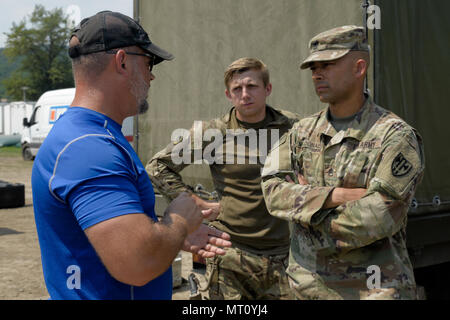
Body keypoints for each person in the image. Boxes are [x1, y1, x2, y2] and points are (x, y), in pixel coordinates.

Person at [31, 11, 231, 300]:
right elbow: (137, 264)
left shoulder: (91, 136)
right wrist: (179, 220)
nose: (151, 76)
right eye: (149, 63)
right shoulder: (89, 148)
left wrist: (168, 236)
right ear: (122, 61)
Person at [261, 25, 425, 300]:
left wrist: (304, 212)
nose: (317, 74)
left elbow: (379, 218)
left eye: (327, 64)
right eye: (313, 67)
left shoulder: (395, 136)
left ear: (359, 68)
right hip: (305, 287)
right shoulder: (301, 132)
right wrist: (334, 196)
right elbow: (272, 191)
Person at [146, 57, 300, 300]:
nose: (245, 94)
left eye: (252, 86)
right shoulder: (213, 132)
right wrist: (194, 202)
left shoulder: (291, 127)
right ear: (228, 95)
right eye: (237, 89)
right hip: (230, 252)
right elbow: (157, 167)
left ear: (267, 89)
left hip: (282, 255)